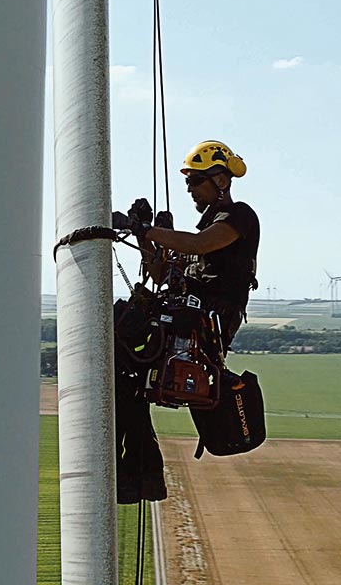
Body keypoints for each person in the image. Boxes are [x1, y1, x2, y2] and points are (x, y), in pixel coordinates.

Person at [114, 139, 260, 503]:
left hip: (203, 324)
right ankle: (139, 475)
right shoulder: (205, 225)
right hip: (185, 319)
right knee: (122, 377)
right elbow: (161, 273)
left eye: (195, 181)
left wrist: (146, 230)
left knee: (120, 355)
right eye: (188, 183)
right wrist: (142, 234)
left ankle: (139, 474)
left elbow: (197, 245)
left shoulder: (239, 217)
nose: (190, 189)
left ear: (220, 180)